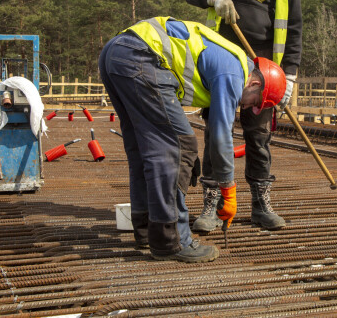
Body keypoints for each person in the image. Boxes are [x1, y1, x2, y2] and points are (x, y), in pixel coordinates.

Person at [98, 16, 286, 263]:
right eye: (255, 102)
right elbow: (220, 137)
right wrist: (228, 191)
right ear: (255, 83)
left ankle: (147, 230)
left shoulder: (227, 60)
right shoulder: (235, 72)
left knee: (144, 149)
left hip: (115, 53)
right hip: (142, 57)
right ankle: (172, 239)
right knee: (180, 147)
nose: (248, 108)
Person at [185, 0, 302, 231]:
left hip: (265, 68)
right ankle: (211, 206)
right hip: (221, 58)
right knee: (216, 131)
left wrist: (289, 75)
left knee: (259, 136)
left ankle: (261, 205)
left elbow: (294, 28)